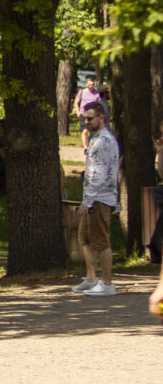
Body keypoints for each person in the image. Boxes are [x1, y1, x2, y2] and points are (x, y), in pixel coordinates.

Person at [77, 100, 121, 296]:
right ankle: (91, 278)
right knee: (85, 238)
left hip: (100, 199)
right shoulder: (95, 139)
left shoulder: (103, 141)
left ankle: (107, 283)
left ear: (101, 118)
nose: (86, 122)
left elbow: (100, 175)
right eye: (84, 119)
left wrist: (88, 202)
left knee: (101, 241)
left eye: (90, 118)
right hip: (91, 197)